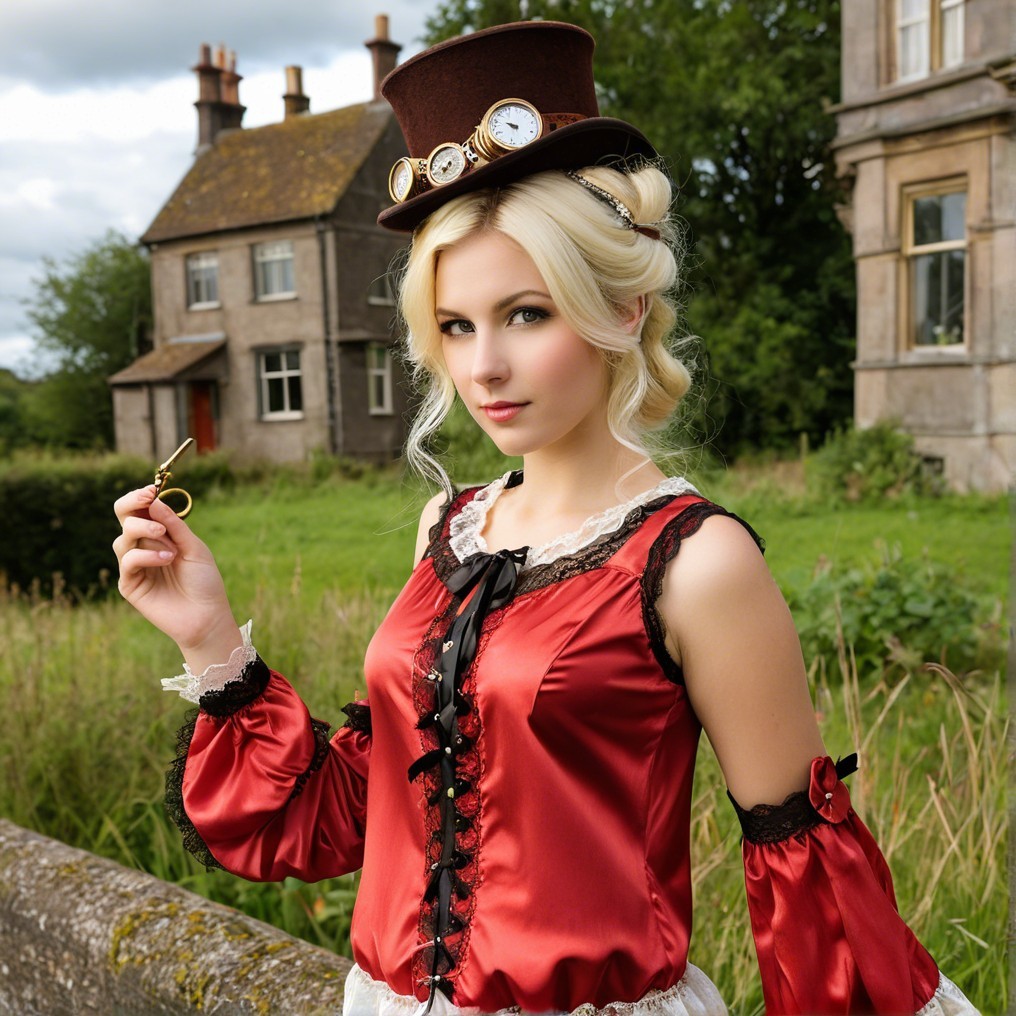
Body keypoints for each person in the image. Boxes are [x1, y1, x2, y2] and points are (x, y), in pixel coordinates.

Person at [113, 21, 978, 1016]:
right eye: (455, 324)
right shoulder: (449, 529)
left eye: (526, 313)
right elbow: (355, 809)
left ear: (616, 310)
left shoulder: (696, 562)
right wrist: (208, 634)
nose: (482, 366)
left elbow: (804, 878)